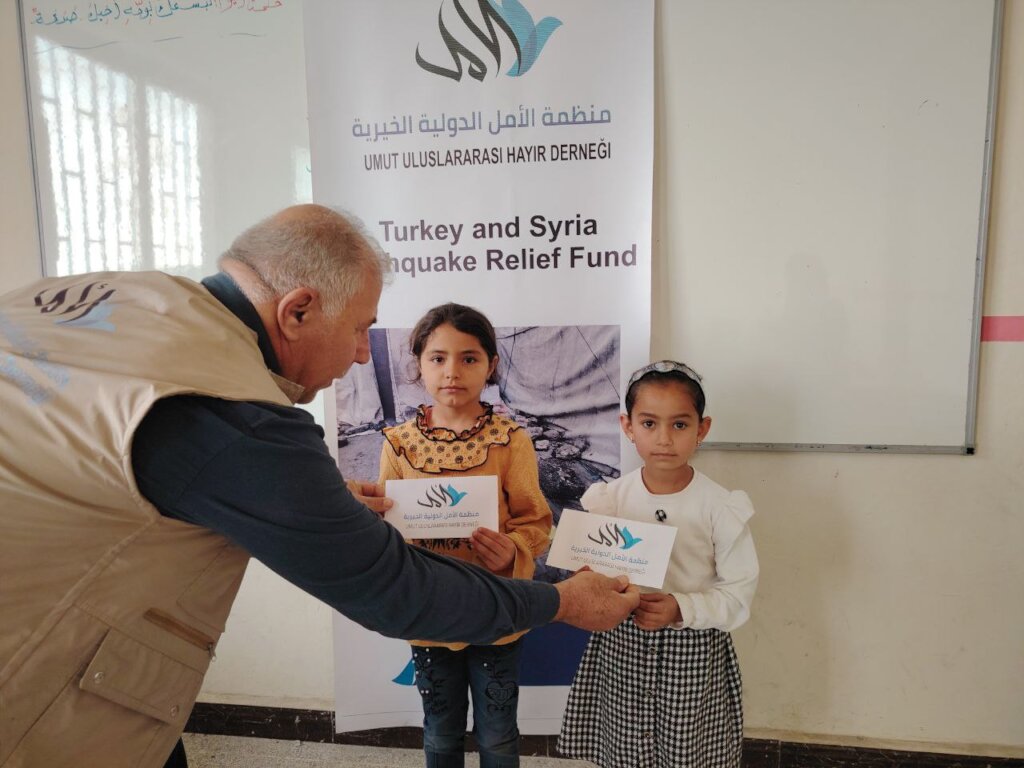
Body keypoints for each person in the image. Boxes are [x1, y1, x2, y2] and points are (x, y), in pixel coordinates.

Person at [0, 205, 639, 768]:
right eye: (360, 328)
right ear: (298, 310)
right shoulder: (237, 413)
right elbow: (395, 590)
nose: (362, 353)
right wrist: (561, 602)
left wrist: (316, 504)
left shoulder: (120, 295)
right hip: (33, 689)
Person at [558, 360, 759, 768]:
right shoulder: (609, 499)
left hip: (692, 652)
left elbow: (738, 593)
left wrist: (680, 607)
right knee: (624, 746)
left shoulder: (720, 507)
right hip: (622, 645)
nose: (664, 439)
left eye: (680, 425)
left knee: (688, 751)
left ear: (702, 429)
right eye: (649, 423)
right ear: (627, 426)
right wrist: (589, 580)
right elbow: (590, 572)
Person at [378, 303, 551, 768]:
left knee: (497, 734)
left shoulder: (510, 440)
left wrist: (513, 550)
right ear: (419, 364)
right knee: (440, 728)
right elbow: (387, 526)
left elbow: (536, 521)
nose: (452, 371)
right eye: (438, 358)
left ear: (490, 365)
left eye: (468, 358)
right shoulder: (397, 444)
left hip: (497, 608)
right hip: (430, 612)